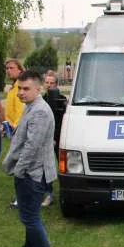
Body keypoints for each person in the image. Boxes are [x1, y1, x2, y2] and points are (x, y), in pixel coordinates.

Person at [3, 70, 58, 247]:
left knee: (30, 218)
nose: (21, 93)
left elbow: (31, 147)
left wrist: (19, 170)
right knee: (29, 215)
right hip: (29, 172)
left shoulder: (40, 111)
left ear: (38, 88)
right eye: (19, 88)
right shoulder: (31, 106)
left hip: (34, 173)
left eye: (26, 89)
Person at [41, 71, 67, 207]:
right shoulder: (42, 100)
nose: (49, 85)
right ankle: (48, 194)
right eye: (47, 82)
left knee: (64, 167)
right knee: (45, 167)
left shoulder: (62, 100)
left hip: (59, 137)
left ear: (56, 85)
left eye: (52, 83)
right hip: (45, 139)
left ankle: (66, 193)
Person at [4, 59, 25, 208]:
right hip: (12, 130)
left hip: (18, 131)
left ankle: (21, 198)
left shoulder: (21, 88)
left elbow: (21, 112)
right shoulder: (14, 86)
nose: (8, 70)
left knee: (21, 165)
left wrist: (15, 130)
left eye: (11, 68)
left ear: (19, 69)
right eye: (7, 68)